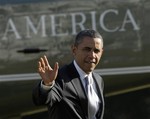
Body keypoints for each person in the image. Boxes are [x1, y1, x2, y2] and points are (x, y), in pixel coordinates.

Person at [32, 29, 105, 119]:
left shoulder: (98, 80)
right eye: (87, 49)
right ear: (74, 50)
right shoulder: (60, 77)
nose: (92, 55)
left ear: (101, 52)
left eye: (96, 51)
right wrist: (47, 85)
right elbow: (42, 99)